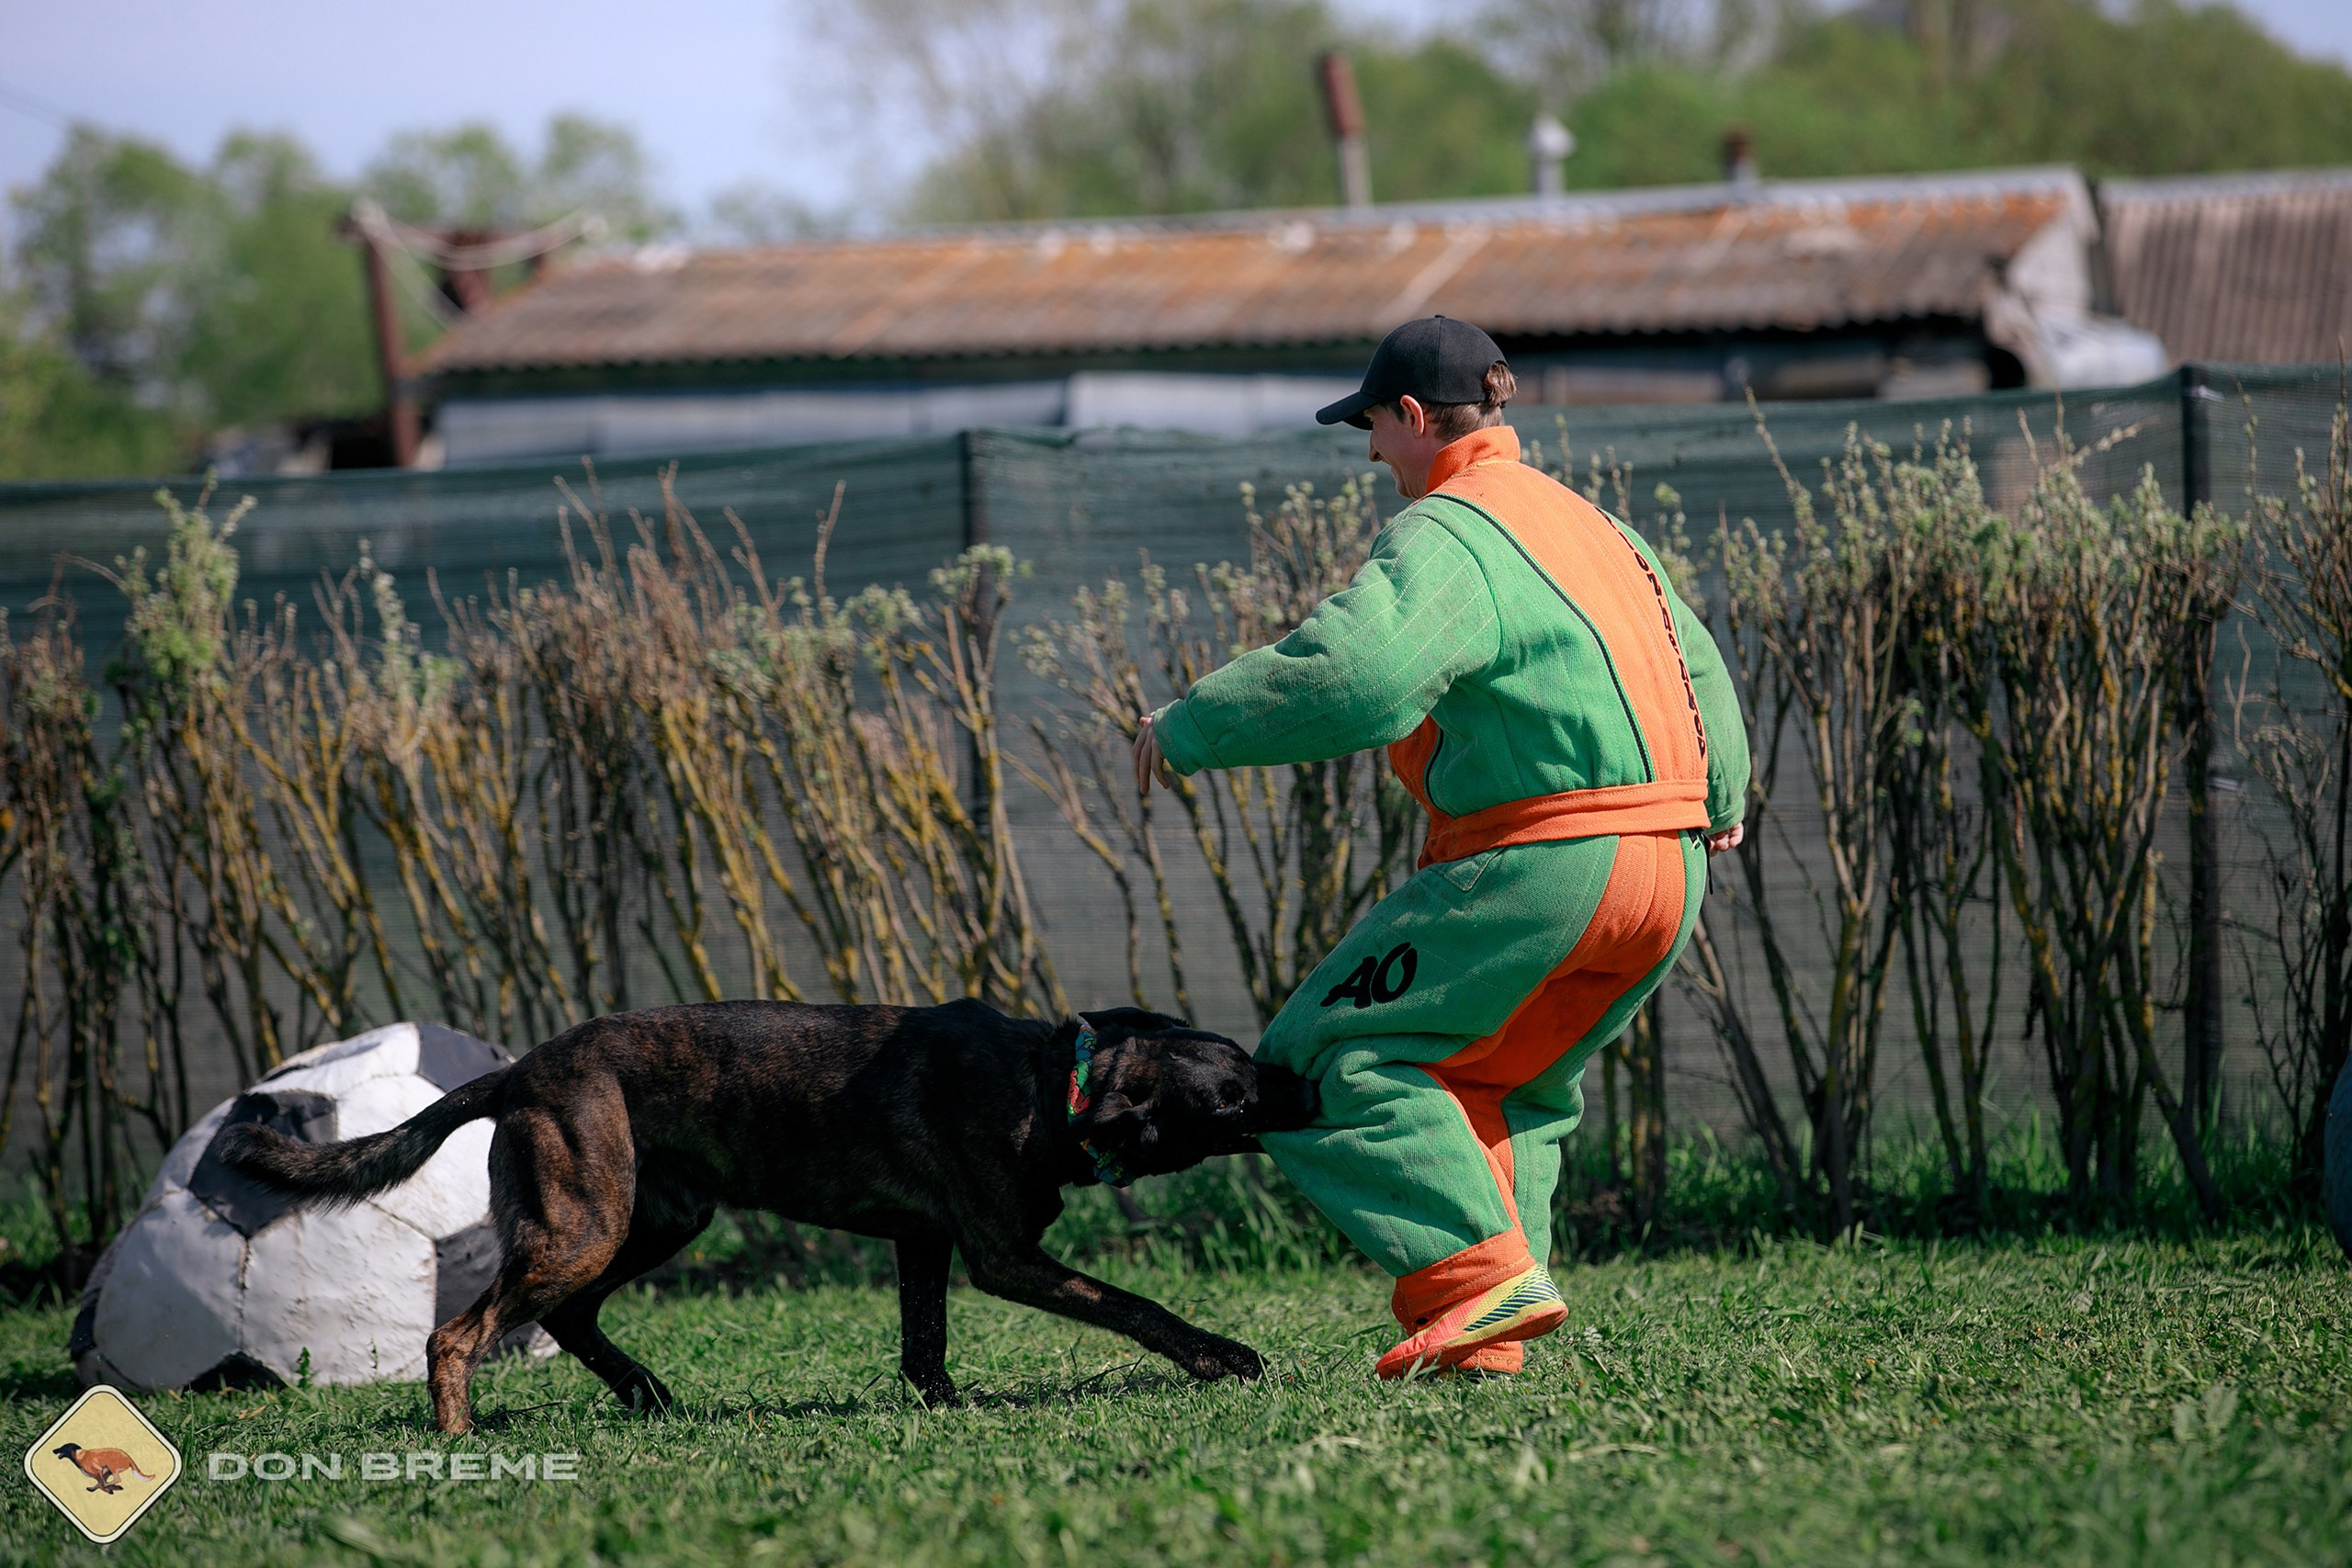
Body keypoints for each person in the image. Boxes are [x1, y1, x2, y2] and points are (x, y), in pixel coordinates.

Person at [1133, 317, 1748, 1378]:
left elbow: (1356, 677)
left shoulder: (1452, 532)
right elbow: (1696, 662)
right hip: (1671, 860)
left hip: (1546, 859)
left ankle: (1473, 1280)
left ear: (1413, 417)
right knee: (1502, 1086)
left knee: (1327, 1055)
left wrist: (1188, 726)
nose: (1371, 452)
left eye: (1373, 426)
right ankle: (1489, 1338)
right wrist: (1722, 792)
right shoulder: (1597, 527)